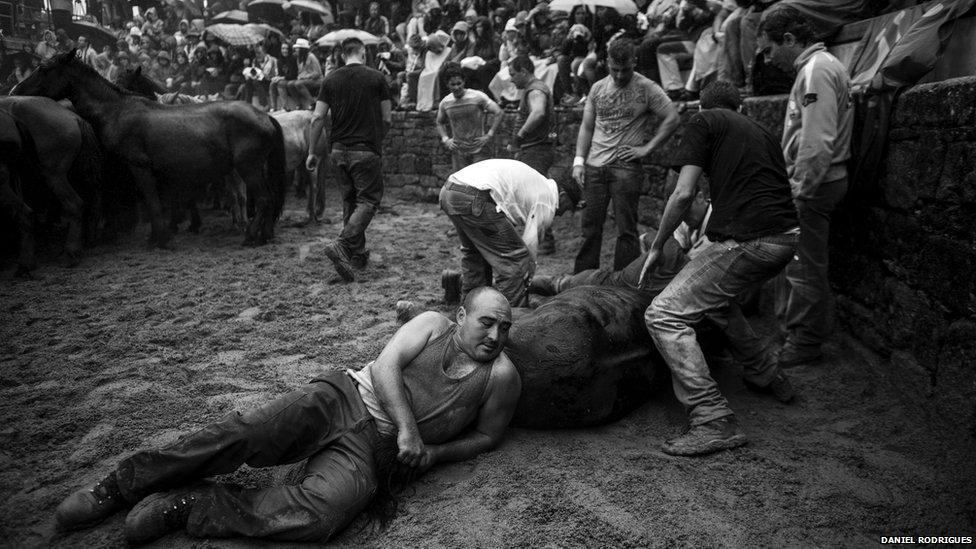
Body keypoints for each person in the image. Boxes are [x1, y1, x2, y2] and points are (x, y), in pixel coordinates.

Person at [53, 287, 522, 545]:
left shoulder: (501, 376)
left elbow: (487, 436)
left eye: (505, 326)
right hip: (342, 397)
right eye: (487, 321)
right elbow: (384, 367)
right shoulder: (431, 324)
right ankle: (118, 486)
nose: (496, 333)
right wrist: (408, 430)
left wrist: (434, 451)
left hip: (372, 450)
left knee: (324, 515)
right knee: (247, 432)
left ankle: (193, 505)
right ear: (462, 315)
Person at [640, 81, 799, 457]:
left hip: (749, 240)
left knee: (664, 315)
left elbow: (683, 194)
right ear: (738, 106)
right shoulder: (761, 130)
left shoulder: (704, 121)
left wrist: (658, 245)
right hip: (786, 238)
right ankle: (765, 372)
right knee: (713, 298)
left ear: (703, 106)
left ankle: (712, 418)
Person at [759, 7, 853, 368]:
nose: (768, 61)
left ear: (788, 40)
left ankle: (804, 342)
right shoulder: (818, 69)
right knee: (798, 262)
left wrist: (800, 189)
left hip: (816, 184)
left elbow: (816, 141)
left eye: (769, 51)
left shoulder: (816, 71)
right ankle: (794, 332)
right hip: (817, 181)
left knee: (804, 265)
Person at [572, 38, 680, 274]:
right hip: (595, 165)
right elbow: (587, 127)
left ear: (634, 62)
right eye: (615, 69)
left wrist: (647, 148)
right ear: (607, 63)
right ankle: (582, 280)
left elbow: (672, 117)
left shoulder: (646, 87)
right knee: (590, 227)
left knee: (626, 229)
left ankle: (623, 282)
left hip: (625, 166)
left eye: (626, 70)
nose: (620, 76)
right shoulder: (598, 88)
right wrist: (579, 161)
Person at [307, 37, 392, 282]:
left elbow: (317, 118)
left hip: (337, 150)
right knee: (369, 201)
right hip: (366, 149)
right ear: (363, 53)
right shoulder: (377, 78)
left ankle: (355, 254)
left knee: (350, 200)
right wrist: (377, 141)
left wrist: (312, 152)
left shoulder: (330, 79)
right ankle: (344, 245)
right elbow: (387, 119)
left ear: (343, 55)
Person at [439, 159, 568, 307]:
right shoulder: (548, 199)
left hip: (450, 190)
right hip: (473, 196)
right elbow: (530, 243)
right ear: (563, 195)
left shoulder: (538, 183)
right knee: (515, 260)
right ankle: (511, 316)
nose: (564, 212)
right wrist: (528, 272)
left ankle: (471, 309)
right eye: (569, 206)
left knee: (475, 254)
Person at [530, 191, 710, 297]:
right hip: (611, 282)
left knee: (562, 285)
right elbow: (649, 238)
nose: (683, 217)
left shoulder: (702, 238)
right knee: (561, 284)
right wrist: (645, 262)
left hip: (628, 288)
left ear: (700, 197)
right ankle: (522, 284)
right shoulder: (673, 243)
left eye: (685, 208)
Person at [507, 53, 559, 255]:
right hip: (536, 149)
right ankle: (543, 240)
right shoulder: (533, 88)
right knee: (535, 194)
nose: (511, 79)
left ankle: (545, 242)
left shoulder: (536, 90)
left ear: (524, 71)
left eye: (513, 74)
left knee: (534, 196)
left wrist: (519, 136)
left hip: (537, 150)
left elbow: (538, 113)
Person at [435, 62, 503, 171]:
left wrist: (489, 135)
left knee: (480, 184)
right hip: (458, 151)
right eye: (453, 84)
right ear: (447, 84)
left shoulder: (477, 96)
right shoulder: (446, 102)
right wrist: (446, 139)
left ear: (464, 82)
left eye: (459, 83)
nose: (457, 87)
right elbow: (439, 122)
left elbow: (498, 112)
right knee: (461, 185)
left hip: (479, 149)